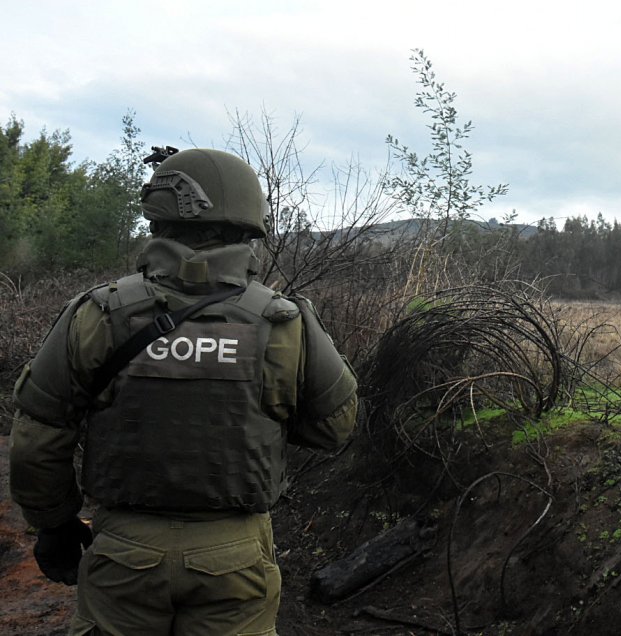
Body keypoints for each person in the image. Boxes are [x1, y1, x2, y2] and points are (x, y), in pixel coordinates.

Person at [9, 147, 359, 634]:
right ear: (247, 225)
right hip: (236, 558)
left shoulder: (98, 314)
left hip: (122, 554)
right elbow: (335, 428)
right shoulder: (283, 322)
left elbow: (38, 436)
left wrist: (54, 524)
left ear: (158, 221)